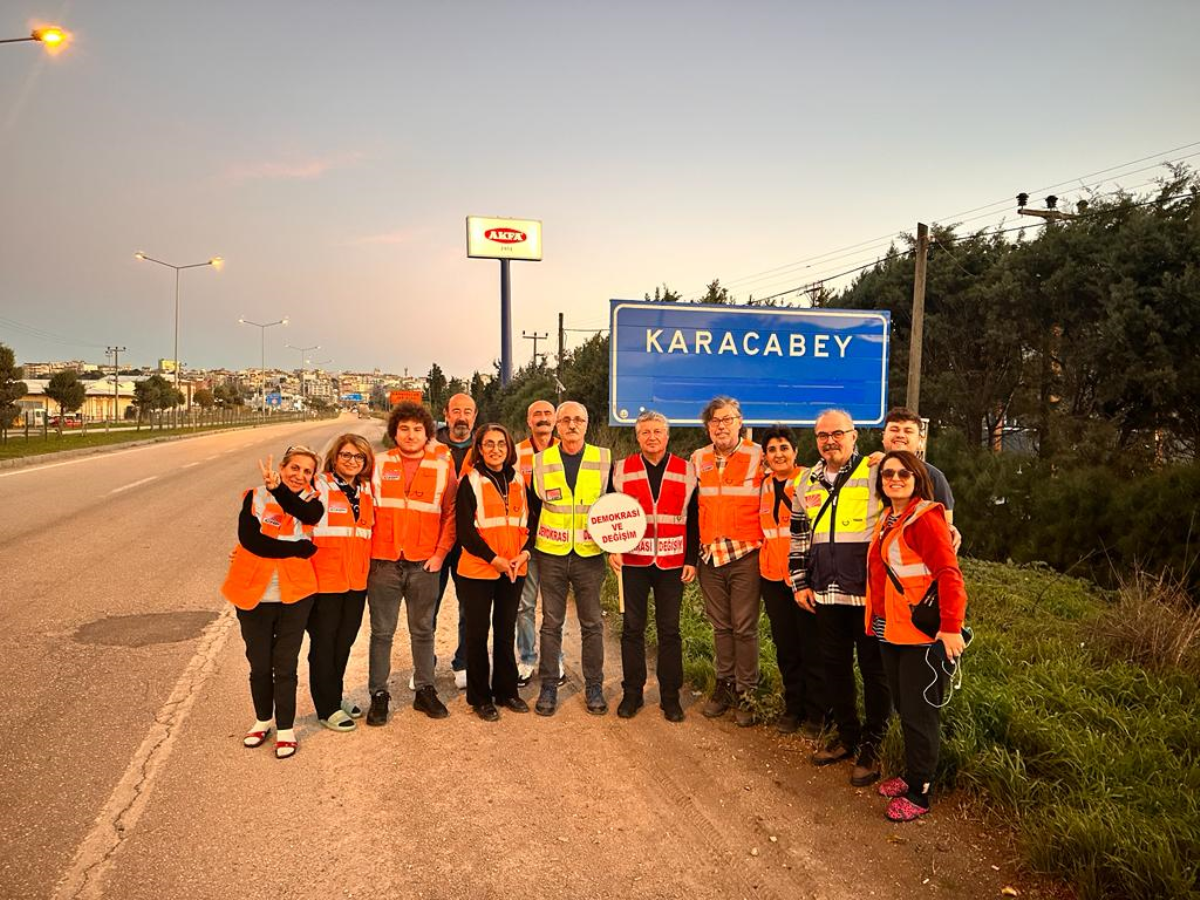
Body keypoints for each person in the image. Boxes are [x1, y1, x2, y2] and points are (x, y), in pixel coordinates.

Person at [789, 409, 890, 788]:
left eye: (837, 434)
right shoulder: (807, 481)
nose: (829, 441)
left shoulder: (876, 471)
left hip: (868, 595)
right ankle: (848, 736)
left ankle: (874, 744)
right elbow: (799, 537)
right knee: (835, 668)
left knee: (874, 670)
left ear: (854, 436)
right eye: (822, 435)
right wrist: (800, 582)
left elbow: (911, 498)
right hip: (826, 592)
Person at [866, 449, 967, 821]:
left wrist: (951, 628)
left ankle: (921, 792)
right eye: (888, 473)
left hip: (922, 637)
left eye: (903, 474)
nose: (894, 478)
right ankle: (911, 775)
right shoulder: (890, 518)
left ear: (917, 480)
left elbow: (949, 574)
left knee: (920, 715)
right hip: (891, 630)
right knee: (906, 709)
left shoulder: (925, 518)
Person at [220, 446, 323, 760]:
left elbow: (308, 517)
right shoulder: (254, 496)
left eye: (307, 471)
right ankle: (263, 720)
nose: (300, 475)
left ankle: (287, 729)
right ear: (282, 466)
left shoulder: (312, 502)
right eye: (294, 468)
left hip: (296, 594)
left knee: (286, 665)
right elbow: (251, 541)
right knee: (259, 663)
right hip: (253, 592)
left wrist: (279, 490)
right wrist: (297, 548)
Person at [366, 401, 457, 726]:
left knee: (423, 631)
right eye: (403, 428)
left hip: (424, 565)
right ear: (394, 432)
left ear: (427, 432)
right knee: (382, 633)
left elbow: (450, 514)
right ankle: (379, 694)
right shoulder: (377, 464)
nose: (410, 434)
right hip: (383, 564)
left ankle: (425, 690)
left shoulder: (442, 466)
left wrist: (439, 555)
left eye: (417, 429)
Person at [610, 411, 698, 722]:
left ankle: (670, 698)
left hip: (673, 562)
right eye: (645, 431)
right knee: (632, 629)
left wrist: (692, 559)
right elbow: (610, 514)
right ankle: (632, 694)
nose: (652, 437)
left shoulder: (687, 471)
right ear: (637, 436)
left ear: (667, 435)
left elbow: (695, 517)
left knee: (670, 631)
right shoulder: (620, 469)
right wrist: (611, 549)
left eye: (657, 431)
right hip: (633, 561)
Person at [527, 400, 612, 717]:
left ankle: (594, 686)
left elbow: (612, 506)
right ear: (557, 425)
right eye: (566, 420)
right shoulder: (540, 461)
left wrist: (615, 546)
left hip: (590, 555)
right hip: (551, 553)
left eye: (579, 419)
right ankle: (548, 686)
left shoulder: (603, 459)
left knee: (592, 624)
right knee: (551, 624)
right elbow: (533, 509)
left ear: (587, 423)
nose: (572, 425)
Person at [692, 397, 764, 728]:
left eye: (728, 419)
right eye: (715, 421)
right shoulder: (698, 458)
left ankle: (747, 691)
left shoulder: (758, 455)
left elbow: (792, 475)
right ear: (708, 427)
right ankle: (724, 685)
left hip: (746, 552)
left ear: (740, 422)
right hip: (710, 555)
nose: (721, 426)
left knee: (745, 627)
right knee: (721, 626)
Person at [455, 423, 535, 721]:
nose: (495, 449)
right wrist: (494, 559)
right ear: (479, 448)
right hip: (478, 569)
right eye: (488, 444)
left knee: (505, 631)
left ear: (509, 448)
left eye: (501, 443)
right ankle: (480, 698)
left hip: (515, 567)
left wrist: (525, 552)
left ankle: (507, 691)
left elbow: (531, 522)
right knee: (477, 634)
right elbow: (465, 531)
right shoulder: (470, 480)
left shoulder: (518, 481)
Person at [757, 425, 827, 739]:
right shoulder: (763, 485)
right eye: (772, 449)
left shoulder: (810, 481)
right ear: (765, 456)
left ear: (795, 452)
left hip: (806, 577)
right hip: (772, 576)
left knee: (811, 647)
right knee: (786, 647)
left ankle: (818, 713)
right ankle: (793, 707)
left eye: (784, 447)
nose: (778, 454)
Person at [307, 434, 375, 733]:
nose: (352, 461)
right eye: (346, 455)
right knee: (324, 644)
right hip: (325, 580)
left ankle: (336, 696)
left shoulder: (365, 491)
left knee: (344, 642)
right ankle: (326, 707)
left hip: (356, 581)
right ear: (335, 457)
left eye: (358, 457)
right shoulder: (319, 486)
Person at [433, 391, 477, 689]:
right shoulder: (429, 447)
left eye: (468, 411)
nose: (462, 417)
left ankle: (464, 662)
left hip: (470, 542)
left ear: (475, 416)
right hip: (433, 541)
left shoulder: (486, 446)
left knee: (469, 606)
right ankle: (425, 664)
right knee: (428, 607)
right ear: (446, 415)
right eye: (456, 411)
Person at [514, 399, 560, 686]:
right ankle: (527, 659)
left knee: (555, 608)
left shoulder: (566, 449)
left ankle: (555, 659)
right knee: (525, 605)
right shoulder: (516, 453)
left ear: (555, 419)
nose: (542, 418)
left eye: (547, 413)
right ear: (529, 421)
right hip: (527, 542)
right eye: (537, 415)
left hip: (558, 540)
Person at [878, 407, 961, 550]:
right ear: (883, 436)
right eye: (894, 429)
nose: (900, 435)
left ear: (919, 439)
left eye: (908, 431)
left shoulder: (933, 476)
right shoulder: (869, 470)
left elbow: (945, 527)